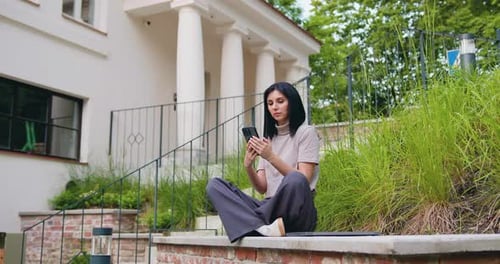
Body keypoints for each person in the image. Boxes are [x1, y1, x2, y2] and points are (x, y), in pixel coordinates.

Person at [206, 81, 320, 243]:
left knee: (295, 178)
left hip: (296, 210)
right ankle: (262, 228)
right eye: (270, 103)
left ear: (292, 103)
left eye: (280, 101)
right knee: (214, 185)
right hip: (269, 208)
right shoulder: (268, 140)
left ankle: (253, 224)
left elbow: (304, 179)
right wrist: (248, 165)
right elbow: (262, 187)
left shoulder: (306, 133)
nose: (274, 107)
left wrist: (270, 156)